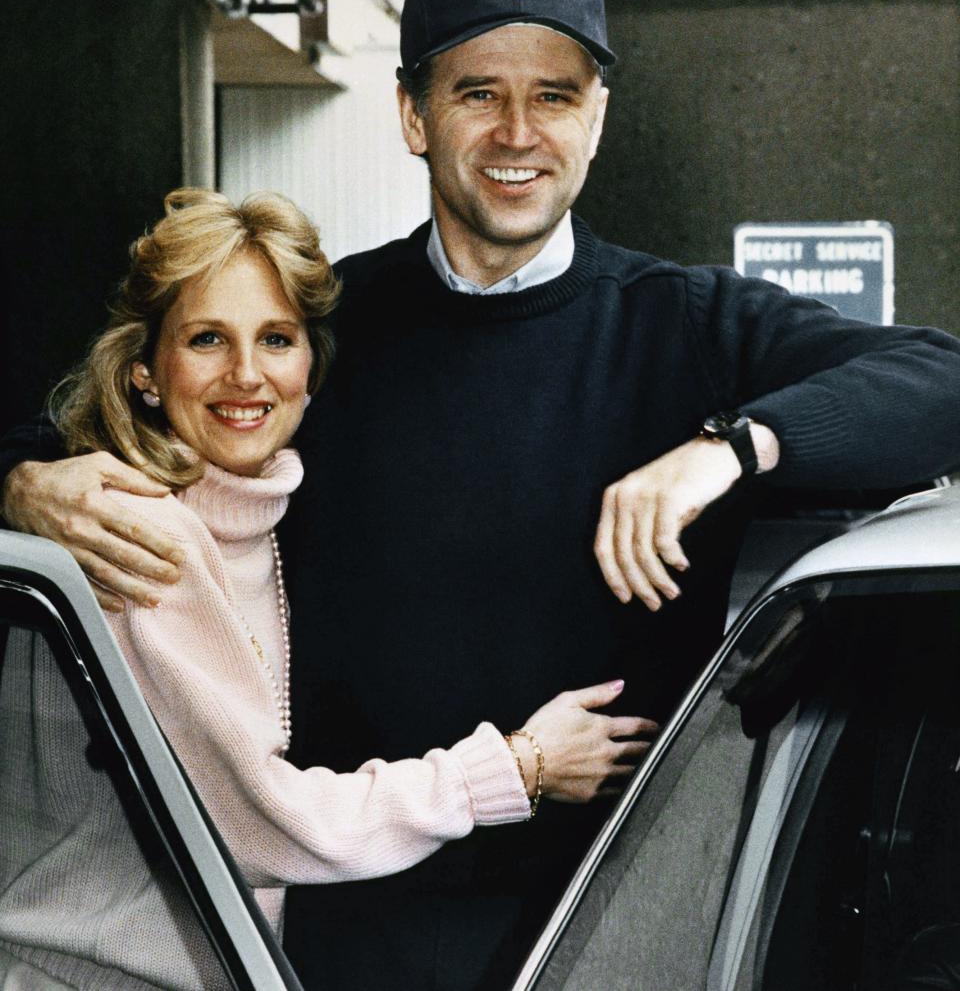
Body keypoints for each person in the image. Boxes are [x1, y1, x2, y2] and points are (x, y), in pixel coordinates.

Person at [4, 0, 960, 990]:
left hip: (627, 939)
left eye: (554, 94)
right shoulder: (317, 331)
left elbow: (941, 380)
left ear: (597, 118)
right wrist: (24, 484)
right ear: (413, 114)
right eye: (477, 92)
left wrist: (727, 447)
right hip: (350, 942)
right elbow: (97, 417)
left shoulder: (688, 328)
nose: (518, 131)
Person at [0, 188, 654, 990]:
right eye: (207, 338)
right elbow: (267, 825)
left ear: (310, 365)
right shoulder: (140, 532)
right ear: (144, 372)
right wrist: (521, 765)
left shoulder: (259, 520)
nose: (246, 374)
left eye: (275, 338)